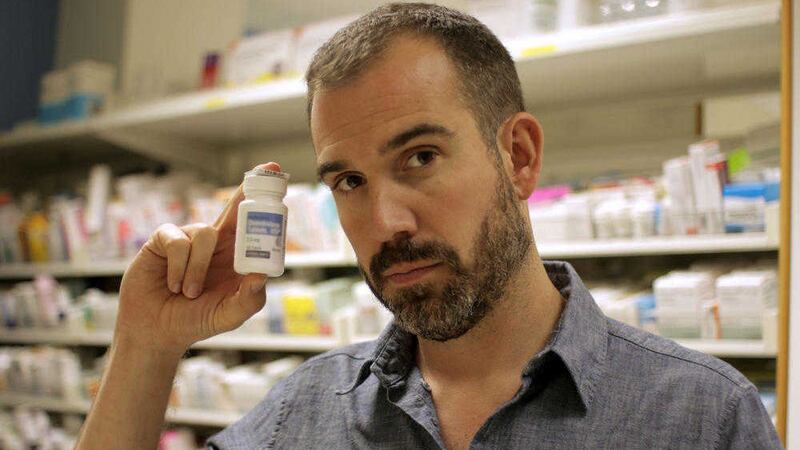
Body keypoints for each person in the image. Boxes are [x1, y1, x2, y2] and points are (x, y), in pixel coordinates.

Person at [75, 3, 781, 449]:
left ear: (520, 156)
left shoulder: (701, 417)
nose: (385, 223)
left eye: (420, 157)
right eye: (348, 181)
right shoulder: (302, 416)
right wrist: (145, 345)